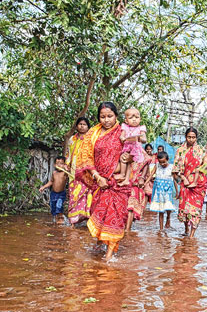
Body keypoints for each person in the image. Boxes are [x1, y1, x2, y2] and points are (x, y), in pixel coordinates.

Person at [76, 102, 130, 261]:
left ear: (116, 116)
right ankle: (100, 244)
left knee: (115, 216)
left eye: (110, 116)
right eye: (102, 116)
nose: (106, 120)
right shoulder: (93, 133)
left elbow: (135, 154)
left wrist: (127, 160)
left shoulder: (124, 132)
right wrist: (97, 177)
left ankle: (109, 255)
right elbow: (85, 157)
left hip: (117, 183)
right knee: (98, 213)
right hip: (99, 182)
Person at [173, 127, 207, 238]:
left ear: (196, 138)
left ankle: (192, 235)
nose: (191, 139)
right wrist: (183, 178)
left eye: (193, 137)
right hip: (185, 183)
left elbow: (205, 167)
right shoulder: (180, 151)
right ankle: (186, 229)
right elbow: (175, 170)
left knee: (195, 209)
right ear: (185, 137)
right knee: (185, 209)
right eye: (189, 137)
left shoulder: (201, 150)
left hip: (198, 184)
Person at [65, 117, 91, 227]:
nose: (82, 126)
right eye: (80, 124)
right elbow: (69, 153)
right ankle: (73, 221)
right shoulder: (72, 139)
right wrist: (67, 164)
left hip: (87, 170)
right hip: (74, 170)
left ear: (88, 127)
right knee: (74, 194)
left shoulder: (91, 139)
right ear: (76, 126)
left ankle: (87, 217)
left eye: (84, 124)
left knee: (87, 193)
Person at [118, 145, 151, 232]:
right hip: (121, 181)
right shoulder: (121, 147)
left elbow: (147, 161)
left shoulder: (138, 149)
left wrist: (142, 177)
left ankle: (127, 230)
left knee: (131, 207)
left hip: (134, 182)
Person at [147, 151, 178, 230]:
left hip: (168, 191)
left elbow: (175, 180)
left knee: (168, 207)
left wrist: (177, 192)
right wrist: (145, 183)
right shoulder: (157, 166)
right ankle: (161, 229)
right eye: (160, 162)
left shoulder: (172, 167)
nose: (162, 164)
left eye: (164, 162)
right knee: (160, 210)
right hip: (159, 192)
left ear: (167, 159)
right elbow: (151, 175)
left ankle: (168, 218)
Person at [116, 108, 147, 186]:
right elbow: (121, 136)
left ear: (140, 119)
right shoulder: (125, 127)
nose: (134, 120)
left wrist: (139, 138)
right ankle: (124, 176)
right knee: (123, 159)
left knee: (129, 162)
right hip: (127, 147)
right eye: (131, 118)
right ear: (126, 121)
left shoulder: (141, 128)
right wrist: (123, 138)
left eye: (136, 117)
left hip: (136, 149)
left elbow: (144, 139)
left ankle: (125, 177)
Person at [39, 156, 68, 224]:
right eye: (57, 163)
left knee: (59, 205)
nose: (59, 165)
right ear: (54, 165)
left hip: (61, 194)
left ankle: (61, 219)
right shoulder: (54, 173)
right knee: (53, 207)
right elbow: (51, 182)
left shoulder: (65, 173)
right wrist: (43, 187)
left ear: (64, 165)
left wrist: (66, 169)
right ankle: (55, 219)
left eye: (61, 163)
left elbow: (68, 173)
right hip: (53, 193)